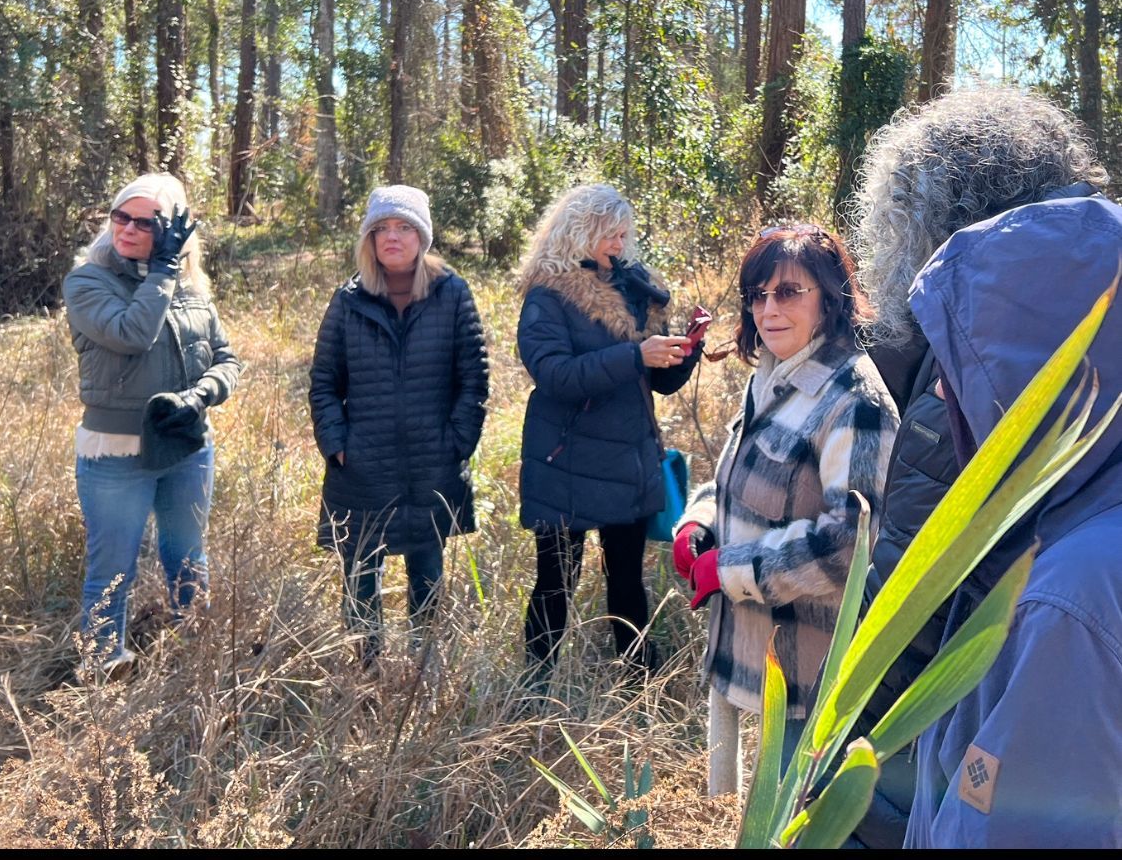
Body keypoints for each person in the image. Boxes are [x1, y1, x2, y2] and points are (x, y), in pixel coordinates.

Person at [842, 86, 1106, 846]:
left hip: (979, 736)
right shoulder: (1099, 300)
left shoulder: (969, 360)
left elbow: (913, 589)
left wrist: (851, 786)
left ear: (919, 221)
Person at [903, 193, 1122, 847]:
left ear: (1035, 381)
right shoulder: (1067, 531)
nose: (943, 392)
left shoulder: (1070, 597)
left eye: (962, 367)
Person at [672, 225, 898, 797]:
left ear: (830, 297)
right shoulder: (770, 377)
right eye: (759, 294)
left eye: (789, 292)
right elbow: (740, 479)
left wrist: (728, 570)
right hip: (743, 651)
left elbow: (850, 543)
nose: (770, 308)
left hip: (807, 677)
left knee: (787, 827)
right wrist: (697, 522)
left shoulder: (854, 401)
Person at [516, 183, 698, 681]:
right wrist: (634, 355)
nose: (619, 245)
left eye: (623, 234)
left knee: (627, 581)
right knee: (555, 584)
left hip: (625, 458)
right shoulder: (546, 295)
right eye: (609, 234)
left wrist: (684, 351)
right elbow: (555, 375)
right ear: (580, 231)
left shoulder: (635, 287)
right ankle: (534, 691)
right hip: (564, 461)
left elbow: (657, 383)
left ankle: (641, 684)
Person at [62, 174, 241, 671]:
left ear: (173, 231)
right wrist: (162, 267)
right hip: (117, 450)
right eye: (121, 217)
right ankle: (101, 667)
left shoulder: (191, 289)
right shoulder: (88, 280)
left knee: (188, 556)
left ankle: (196, 655)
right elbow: (132, 333)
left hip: (186, 443)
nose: (129, 228)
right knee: (112, 568)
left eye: (147, 222)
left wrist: (201, 395)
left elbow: (227, 358)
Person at [309, 185, 488, 667]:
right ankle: (364, 672)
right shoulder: (349, 299)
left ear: (422, 236)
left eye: (404, 227)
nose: (392, 237)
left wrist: (458, 441)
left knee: (427, 572)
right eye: (382, 228)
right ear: (369, 238)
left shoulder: (452, 293)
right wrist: (337, 444)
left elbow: (474, 377)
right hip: (361, 468)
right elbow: (324, 381)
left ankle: (422, 671)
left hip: (433, 464)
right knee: (360, 575)